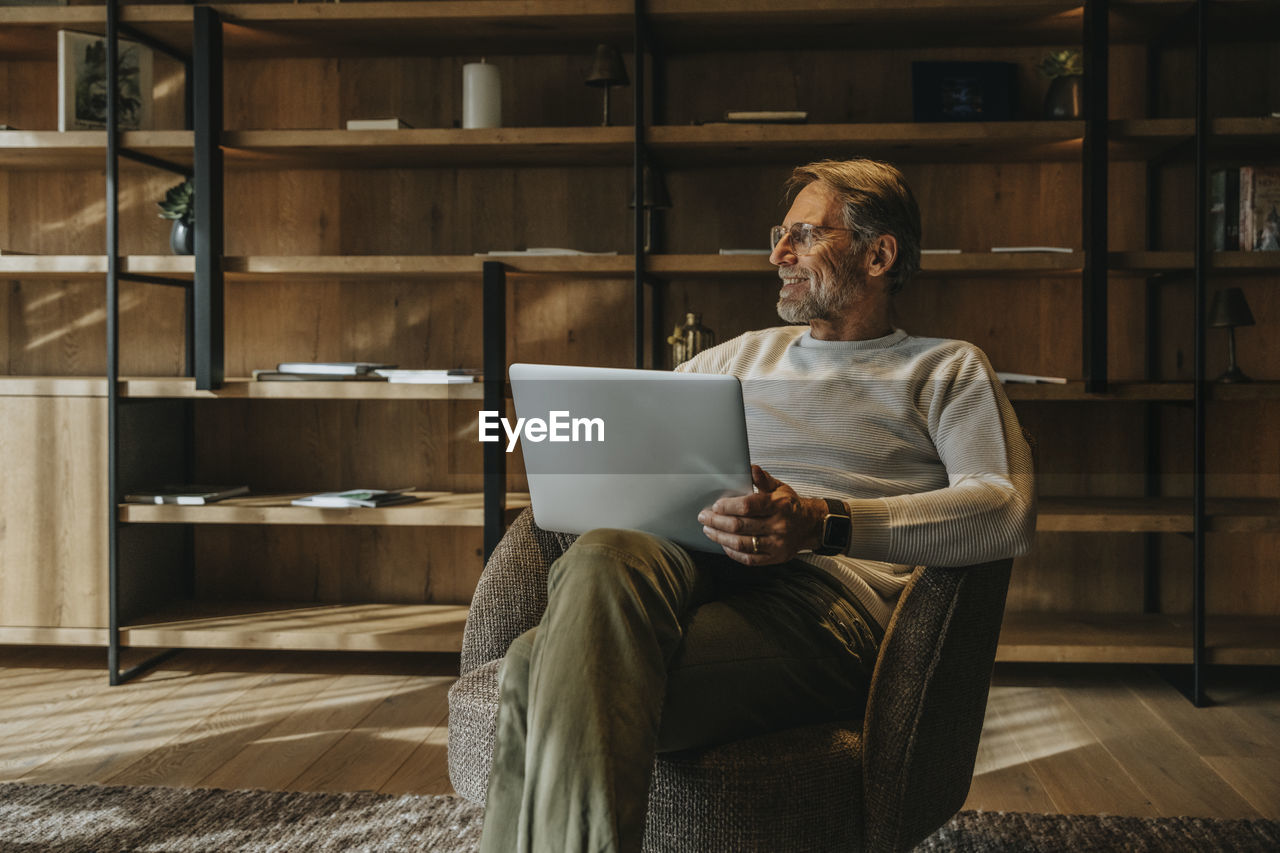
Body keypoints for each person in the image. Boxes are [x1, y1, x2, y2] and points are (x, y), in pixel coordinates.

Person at [478, 158, 1036, 853]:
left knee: (537, 663)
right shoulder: (731, 357)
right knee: (601, 552)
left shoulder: (945, 368)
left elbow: (1005, 510)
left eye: (802, 234)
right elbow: (633, 446)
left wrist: (820, 521)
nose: (777, 255)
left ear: (878, 253)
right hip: (686, 566)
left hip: (820, 604)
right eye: (781, 234)